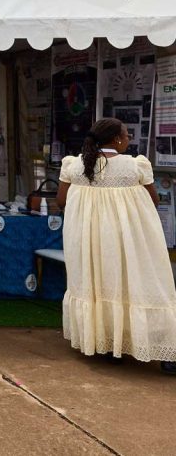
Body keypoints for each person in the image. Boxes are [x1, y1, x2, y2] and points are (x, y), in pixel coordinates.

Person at [57, 117, 176, 375]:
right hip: (128, 238)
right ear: (117, 139)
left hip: (90, 239)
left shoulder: (74, 165)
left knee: (100, 285)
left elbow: (61, 200)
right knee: (136, 283)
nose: (129, 139)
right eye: (127, 135)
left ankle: (109, 346)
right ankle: (163, 349)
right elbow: (152, 201)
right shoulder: (134, 167)